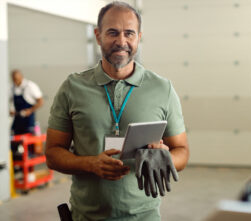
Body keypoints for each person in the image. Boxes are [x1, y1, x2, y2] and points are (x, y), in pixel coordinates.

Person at [45, 1, 189, 221]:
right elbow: (53, 153)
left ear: (139, 37)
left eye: (129, 33)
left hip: (144, 217)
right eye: (112, 32)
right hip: (86, 216)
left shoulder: (162, 89)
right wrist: (91, 163)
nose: (121, 41)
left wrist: (164, 156)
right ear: (98, 35)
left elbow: (182, 151)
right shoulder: (72, 87)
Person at [10, 69, 43, 135]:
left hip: (28, 122)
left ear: (21, 77)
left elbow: (40, 101)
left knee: (29, 143)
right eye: (14, 80)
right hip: (17, 121)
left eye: (17, 79)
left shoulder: (30, 86)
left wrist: (30, 110)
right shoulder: (12, 88)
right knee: (14, 142)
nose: (15, 82)